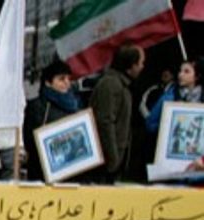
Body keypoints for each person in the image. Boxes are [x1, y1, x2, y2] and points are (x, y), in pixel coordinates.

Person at [90, 44, 145, 184]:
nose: (142, 67)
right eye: (140, 63)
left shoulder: (122, 84)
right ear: (130, 65)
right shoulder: (111, 84)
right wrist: (113, 159)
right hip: (106, 161)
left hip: (116, 158)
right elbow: (105, 122)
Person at [24, 60, 81, 181]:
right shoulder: (37, 106)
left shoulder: (75, 105)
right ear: (48, 83)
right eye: (61, 79)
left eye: (68, 79)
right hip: (42, 172)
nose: (67, 83)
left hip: (71, 172)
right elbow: (29, 140)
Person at [145, 58, 202, 133]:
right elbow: (150, 124)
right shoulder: (169, 97)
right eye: (180, 71)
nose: (180, 75)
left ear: (197, 76)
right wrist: (167, 124)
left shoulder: (201, 97)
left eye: (186, 72)